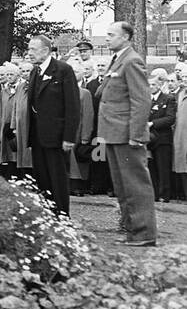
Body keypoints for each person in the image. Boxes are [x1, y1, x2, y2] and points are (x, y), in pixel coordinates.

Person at [96, 20, 156, 246]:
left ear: (126, 37)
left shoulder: (131, 61)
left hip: (126, 135)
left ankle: (144, 234)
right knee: (122, 186)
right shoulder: (118, 60)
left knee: (135, 185)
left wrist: (136, 135)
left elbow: (141, 100)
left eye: (112, 34)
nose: (107, 38)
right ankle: (132, 231)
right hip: (113, 133)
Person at [20, 32, 80, 216]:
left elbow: (73, 106)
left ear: (46, 50)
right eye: (29, 49)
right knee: (42, 179)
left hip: (57, 137)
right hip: (38, 137)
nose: (29, 53)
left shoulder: (63, 70)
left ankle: (62, 218)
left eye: (33, 49)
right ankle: (47, 217)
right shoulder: (35, 72)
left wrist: (69, 137)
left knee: (58, 179)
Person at [147, 69, 177, 204]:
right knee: (151, 166)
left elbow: (170, 118)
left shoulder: (168, 99)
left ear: (159, 85)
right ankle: (153, 193)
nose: (151, 87)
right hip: (149, 139)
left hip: (163, 138)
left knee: (163, 167)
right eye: (149, 85)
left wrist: (152, 123)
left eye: (153, 85)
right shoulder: (147, 100)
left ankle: (165, 194)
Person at [68, 63, 94, 196]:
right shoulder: (63, 90)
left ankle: (78, 186)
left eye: (76, 71)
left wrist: (85, 136)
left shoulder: (85, 93)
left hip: (78, 131)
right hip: (65, 131)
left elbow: (88, 115)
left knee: (78, 160)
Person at [172, 64, 187, 202]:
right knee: (181, 164)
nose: (185, 80)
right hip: (180, 134)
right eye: (183, 77)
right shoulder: (180, 94)